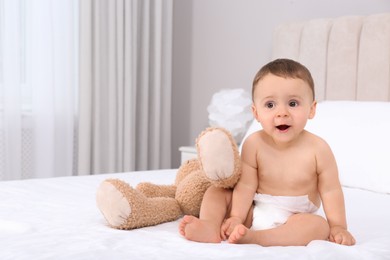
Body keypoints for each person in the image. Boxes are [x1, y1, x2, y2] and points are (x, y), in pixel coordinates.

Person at [179, 58, 356, 246]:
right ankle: (211, 226)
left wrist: (338, 226)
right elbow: (246, 185)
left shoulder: (318, 149)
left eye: (293, 103)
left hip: (295, 218)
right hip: (254, 208)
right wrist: (237, 217)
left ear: (311, 109)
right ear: (256, 113)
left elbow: (331, 190)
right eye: (270, 105)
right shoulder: (253, 144)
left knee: (319, 226)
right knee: (216, 191)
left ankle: (256, 238)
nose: (282, 113)